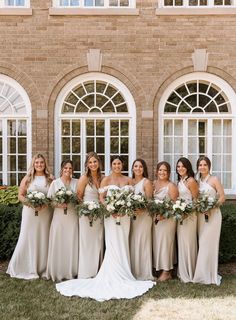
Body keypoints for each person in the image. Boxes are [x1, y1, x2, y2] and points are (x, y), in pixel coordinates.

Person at [56, 155, 155, 301]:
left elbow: (133, 198)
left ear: (122, 165)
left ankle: (125, 271)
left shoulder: (129, 180)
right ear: (111, 165)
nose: (117, 166)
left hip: (125, 216)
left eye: (119, 164)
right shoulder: (106, 179)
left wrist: (126, 208)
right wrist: (110, 208)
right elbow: (101, 198)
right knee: (112, 244)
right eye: (114, 164)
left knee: (123, 243)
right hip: (110, 216)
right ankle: (111, 271)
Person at [7, 154, 53, 279]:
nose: (39, 165)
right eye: (37, 162)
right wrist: (31, 204)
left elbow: (53, 196)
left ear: (45, 164)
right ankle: (25, 267)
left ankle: (42, 268)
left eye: (41, 162)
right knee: (28, 237)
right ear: (33, 164)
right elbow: (20, 195)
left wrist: (45, 204)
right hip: (29, 213)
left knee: (44, 237)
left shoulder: (50, 178)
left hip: (45, 213)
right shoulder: (27, 178)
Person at [193, 156, 225, 285]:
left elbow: (222, 197)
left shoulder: (214, 179)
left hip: (214, 216)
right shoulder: (197, 181)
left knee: (208, 243)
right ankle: (203, 273)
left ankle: (206, 275)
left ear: (209, 166)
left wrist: (212, 207)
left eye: (205, 165)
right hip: (201, 216)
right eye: (200, 165)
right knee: (202, 242)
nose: (202, 167)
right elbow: (195, 198)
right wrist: (200, 207)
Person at [46, 159, 78, 282]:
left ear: (72, 170)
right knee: (59, 241)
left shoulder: (76, 182)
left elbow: (80, 198)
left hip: (72, 216)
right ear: (62, 169)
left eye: (70, 168)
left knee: (71, 241)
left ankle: (72, 270)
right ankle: (58, 270)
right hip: (59, 217)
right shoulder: (55, 183)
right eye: (65, 168)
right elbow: (50, 201)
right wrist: (59, 204)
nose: (68, 170)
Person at [77, 152, 104, 278]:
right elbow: (78, 197)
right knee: (86, 242)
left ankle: (97, 271)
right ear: (87, 165)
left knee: (98, 240)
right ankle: (86, 272)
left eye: (95, 162)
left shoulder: (103, 178)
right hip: (86, 215)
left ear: (99, 163)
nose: (93, 164)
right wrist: (87, 209)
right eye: (90, 162)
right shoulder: (84, 178)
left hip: (99, 214)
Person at [153, 161, 178, 281]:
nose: (162, 172)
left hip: (167, 219)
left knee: (166, 244)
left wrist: (164, 215)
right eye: (160, 170)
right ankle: (159, 269)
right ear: (157, 171)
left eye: (165, 170)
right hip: (156, 219)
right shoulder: (153, 184)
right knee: (158, 243)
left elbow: (175, 205)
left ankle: (167, 271)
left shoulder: (171, 186)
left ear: (168, 173)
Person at [130, 158, 154, 280]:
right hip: (132, 217)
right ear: (132, 168)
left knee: (142, 241)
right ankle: (133, 270)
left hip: (144, 216)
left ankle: (144, 272)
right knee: (133, 241)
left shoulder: (146, 182)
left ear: (143, 169)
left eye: (140, 166)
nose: (138, 168)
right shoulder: (130, 182)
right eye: (136, 166)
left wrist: (142, 209)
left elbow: (150, 201)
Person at [176, 157, 199, 283]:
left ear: (188, 167)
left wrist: (187, 211)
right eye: (178, 166)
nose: (180, 168)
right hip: (180, 216)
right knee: (182, 243)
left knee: (189, 243)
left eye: (183, 166)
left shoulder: (191, 181)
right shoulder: (179, 181)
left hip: (190, 216)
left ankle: (190, 272)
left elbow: (196, 200)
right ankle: (182, 272)